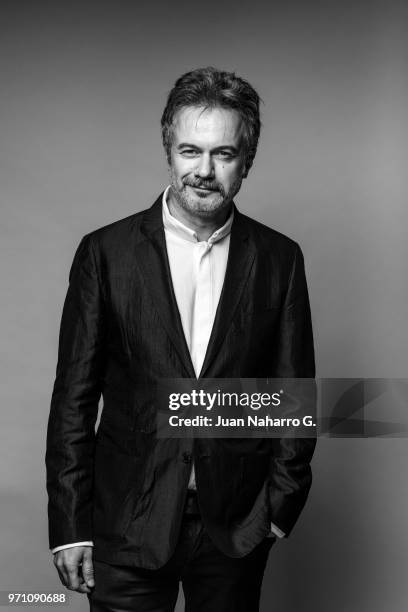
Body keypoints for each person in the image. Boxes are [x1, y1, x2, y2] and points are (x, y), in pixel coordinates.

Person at [46, 66, 316, 612]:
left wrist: (279, 507)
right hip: (126, 522)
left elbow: (294, 395)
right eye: (190, 151)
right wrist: (70, 525)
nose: (204, 170)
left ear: (247, 161)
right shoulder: (106, 253)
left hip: (236, 527)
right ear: (168, 150)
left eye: (223, 154)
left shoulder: (279, 259)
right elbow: (73, 400)